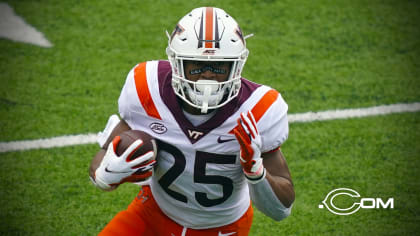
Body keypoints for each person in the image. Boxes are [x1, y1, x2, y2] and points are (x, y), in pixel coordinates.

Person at [89, 6, 295, 236]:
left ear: (236, 66)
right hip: (151, 213)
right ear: (177, 63)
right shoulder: (146, 87)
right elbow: (107, 149)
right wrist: (104, 173)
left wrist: (257, 173)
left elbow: (282, 210)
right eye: (196, 65)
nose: (208, 75)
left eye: (219, 66)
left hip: (223, 229)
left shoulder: (259, 109)